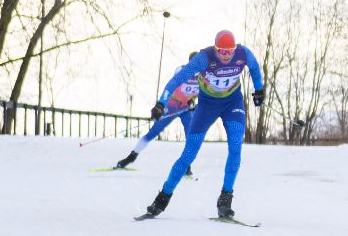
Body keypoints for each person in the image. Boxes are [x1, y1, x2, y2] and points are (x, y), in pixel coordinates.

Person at [141, 29, 264, 220]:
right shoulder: (203, 58)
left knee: (235, 146)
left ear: (235, 49)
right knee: (190, 152)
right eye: (221, 51)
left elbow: (255, 68)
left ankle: (225, 200)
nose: (225, 55)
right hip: (207, 105)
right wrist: (161, 103)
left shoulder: (243, 53)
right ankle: (162, 198)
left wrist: (259, 90)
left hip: (233, 103)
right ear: (215, 49)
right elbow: (177, 79)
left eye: (229, 51)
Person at [113, 53, 202, 169]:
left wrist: (192, 101)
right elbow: (173, 88)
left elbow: (203, 92)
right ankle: (130, 157)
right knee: (153, 132)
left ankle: (186, 165)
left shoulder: (205, 75)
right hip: (173, 106)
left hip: (186, 110)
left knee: (190, 136)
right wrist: (160, 107)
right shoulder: (181, 70)